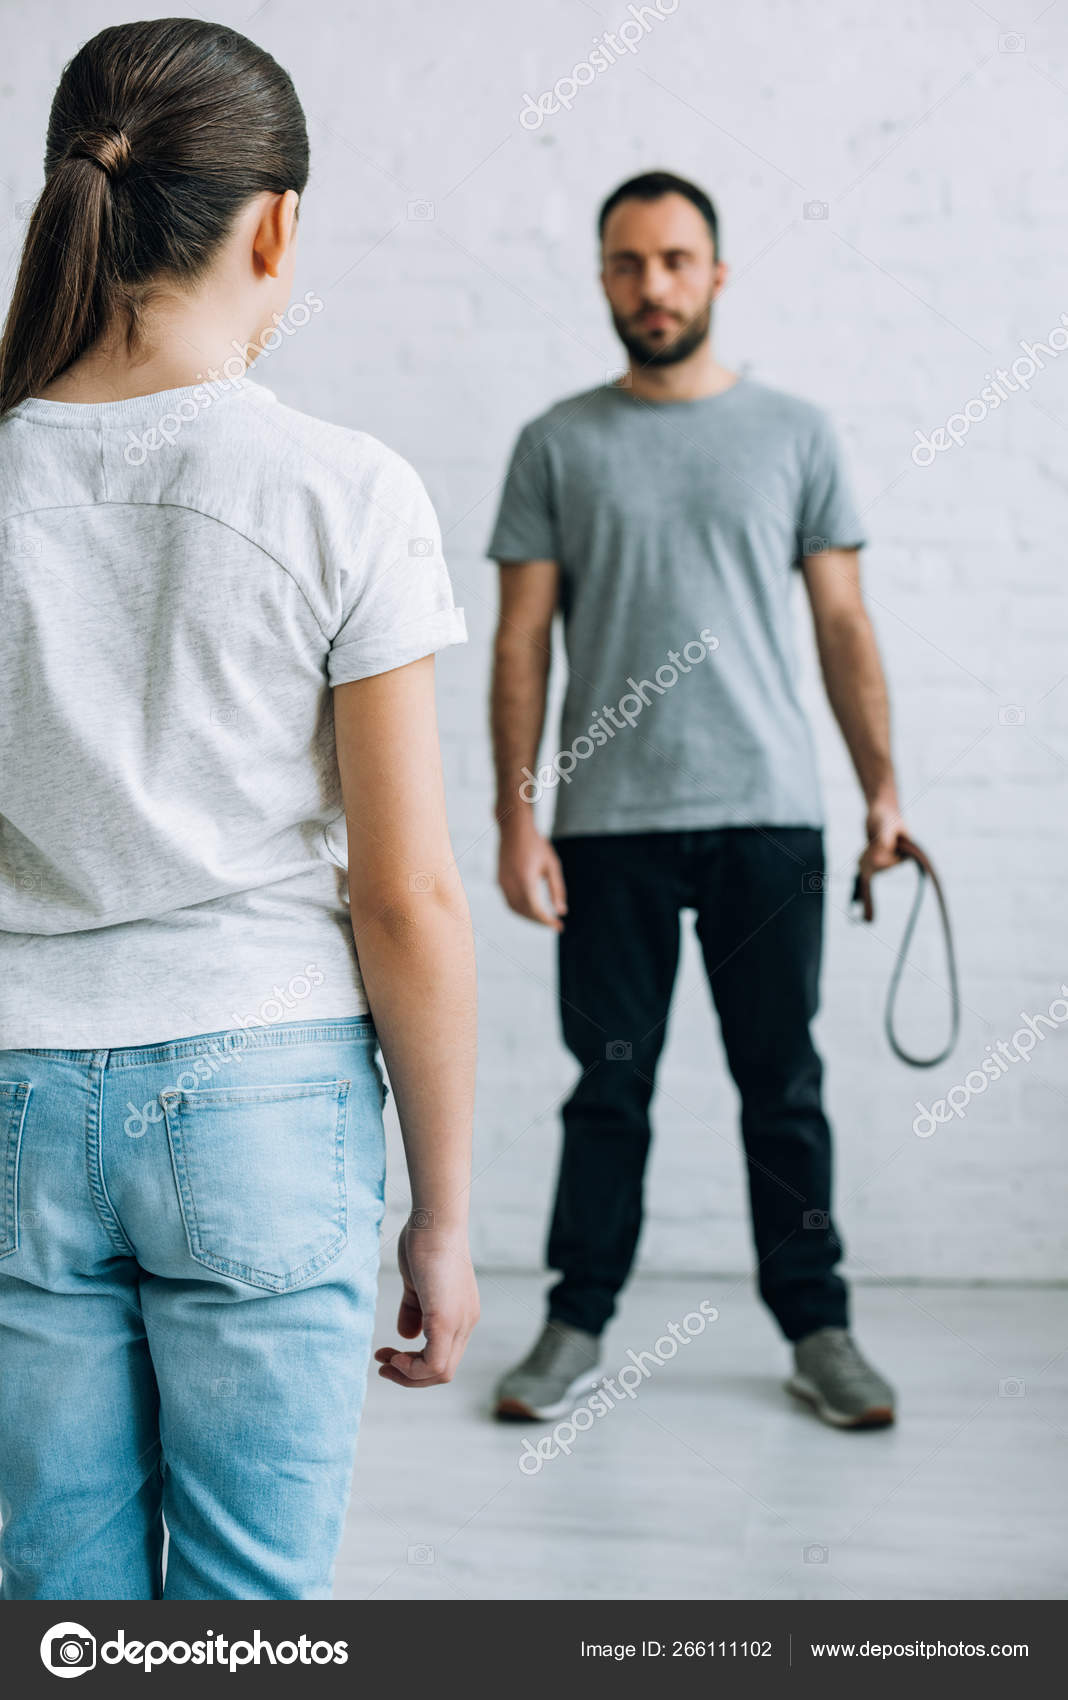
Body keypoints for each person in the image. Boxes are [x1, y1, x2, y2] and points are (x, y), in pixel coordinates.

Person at [0, 18, 478, 1602]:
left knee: (57, 1608)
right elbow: (405, 896)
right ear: (274, 227)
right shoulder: (345, 491)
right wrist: (444, 1215)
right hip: (261, 1095)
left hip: (13, 1102)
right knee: (248, 1620)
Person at [488, 170, 900, 1430]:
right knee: (608, 1089)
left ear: (716, 273)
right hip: (605, 828)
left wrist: (882, 790)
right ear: (603, 279)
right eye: (628, 263)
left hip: (767, 816)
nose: (652, 285)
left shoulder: (796, 432)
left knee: (784, 1084)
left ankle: (818, 1327)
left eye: (674, 260)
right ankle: (575, 1321)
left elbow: (842, 621)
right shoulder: (556, 441)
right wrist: (515, 817)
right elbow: (521, 641)